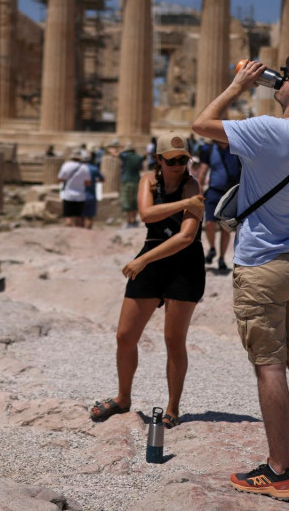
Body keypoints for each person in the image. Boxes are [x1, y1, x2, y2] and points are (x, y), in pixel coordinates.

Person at [193, 54, 289, 501]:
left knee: (270, 367)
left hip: (261, 265)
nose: (281, 79)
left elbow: (201, 124)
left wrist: (239, 84)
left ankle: (278, 472)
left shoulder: (268, 130)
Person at [89, 131, 206, 430]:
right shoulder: (148, 181)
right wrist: (184, 204)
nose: (178, 166)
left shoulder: (192, 184)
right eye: (172, 160)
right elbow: (146, 214)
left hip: (184, 264)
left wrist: (143, 260)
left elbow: (186, 237)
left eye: (183, 160)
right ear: (159, 160)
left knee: (174, 340)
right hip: (153, 260)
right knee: (125, 336)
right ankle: (123, 398)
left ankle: (173, 407)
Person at [197, 137, 241, 272]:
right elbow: (203, 172)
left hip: (230, 193)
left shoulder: (237, 150)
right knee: (209, 224)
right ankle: (212, 248)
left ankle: (222, 258)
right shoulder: (209, 150)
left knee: (225, 228)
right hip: (214, 191)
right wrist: (198, 192)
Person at [58, 150, 91, 228]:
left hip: (68, 195)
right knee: (78, 217)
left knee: (68, 217)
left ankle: (69, 232)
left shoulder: (66, 166)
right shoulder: (84, 168)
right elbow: (88, 183)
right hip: (80, 195)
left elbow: (60, 179)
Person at [119, 143, 145, 228]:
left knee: (128, 202)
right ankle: (134, 220)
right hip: (137, 180)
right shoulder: (139, 157)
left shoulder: (125, 156)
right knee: (135, 201)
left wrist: (122, 150)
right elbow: (141, 168)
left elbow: (119, 154)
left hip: (127, 181)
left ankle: (129, 221)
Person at [81, 150, 104, 229]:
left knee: (81, 216)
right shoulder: (94, 169)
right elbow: (102, 179)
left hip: (80, 195)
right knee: (90, 216)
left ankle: (81, 232)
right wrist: (94, 181)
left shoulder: (79, 169)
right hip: (91, 195)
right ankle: (88, 232)